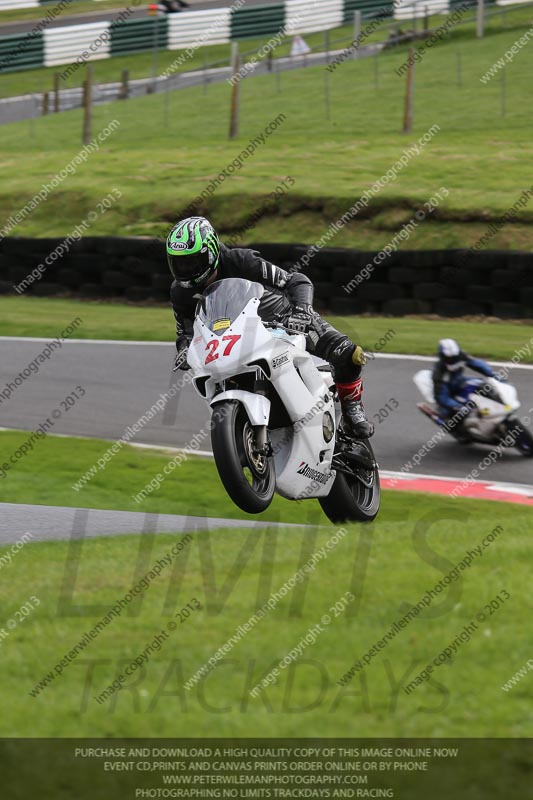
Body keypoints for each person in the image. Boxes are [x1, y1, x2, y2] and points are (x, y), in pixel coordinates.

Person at [167, 216, 374, 438]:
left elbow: (296, 280)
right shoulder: (180, 292)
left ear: (211, 252)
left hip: (285, 319)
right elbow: (185, 332)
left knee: (350, 354)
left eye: (191, 261)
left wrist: (302, 311)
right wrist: (184, 350)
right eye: (179, 263)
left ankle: (352, 409)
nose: (186, 269)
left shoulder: (242, 261)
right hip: (235, 338)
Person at [432, 338, 500, 427]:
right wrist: (457, 406)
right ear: (442, 356)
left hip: (461, 383)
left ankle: (500, 408)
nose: (453, 360)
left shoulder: (461, 356)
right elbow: (441, 397)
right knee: (453, 414)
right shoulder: (439, 373)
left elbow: (477, 364)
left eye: (455, 356)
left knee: (484, 385)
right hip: (449, 394)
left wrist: (493, 374)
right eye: (450, 358)